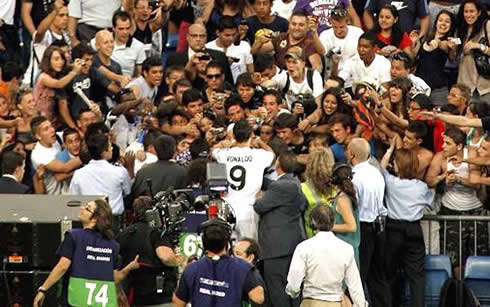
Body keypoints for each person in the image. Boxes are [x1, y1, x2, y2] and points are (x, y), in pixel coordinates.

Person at [33, 199, 139, 307]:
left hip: (75, 301)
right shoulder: (113, 245)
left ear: (94, 219)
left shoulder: (74, 236)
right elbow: (114, 278)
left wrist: (43, 289)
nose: (81, 208)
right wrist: (129, 268)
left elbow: (63, 266)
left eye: (87, 208)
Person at [424, 127, 487, 278]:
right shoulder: (440, 157)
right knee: (454, 258)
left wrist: (458, 179)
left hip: (474, 211)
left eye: (447, 143)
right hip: (450, 210)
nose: (443, 146)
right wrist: (443, 177)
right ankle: (459, 291)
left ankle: (475, 293)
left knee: (478, 255)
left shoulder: (471, 154)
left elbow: (476, 183)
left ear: (459, 146)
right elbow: (429, 180)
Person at [380, 146, 434, 307]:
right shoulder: (421, 187)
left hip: (393, 230)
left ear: (398, 165)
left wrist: (389, 150)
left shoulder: (391, 183)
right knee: (416, 276)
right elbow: (431, 205)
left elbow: (381, 168)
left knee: (389, 273)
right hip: (414, 230)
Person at [254, 151, 307, 307]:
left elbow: (260, 206)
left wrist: (259, 197)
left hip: (277, 249)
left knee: (278, 290)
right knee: (294, 290)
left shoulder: (280, 185)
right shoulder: (296, 182)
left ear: (278, 164)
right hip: (292, 245)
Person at [286, 205, 367, 307]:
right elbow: (355, 286)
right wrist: (360, 304)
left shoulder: (303, 248)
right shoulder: (347, 249)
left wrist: (294, 293)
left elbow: (293, 283)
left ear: (312, 223)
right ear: (333, 222)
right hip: (336, 303)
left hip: (310, 302)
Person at [173, 219, 265, 306]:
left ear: (203, 242)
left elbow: (178, 303)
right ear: (227, 243)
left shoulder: (191, 269)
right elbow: (258, 298)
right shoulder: (244, 268)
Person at [345, 138, 390, 307]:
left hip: (363, 229)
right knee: (377, 275)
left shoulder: (355, 178)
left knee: (357, 275)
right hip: (379, 227)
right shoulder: (376, 172)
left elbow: (354, 204)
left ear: (351, 154)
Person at [212, 120, 275, 239]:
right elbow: (272, 154)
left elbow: (213, 151)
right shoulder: (259, 155)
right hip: (248, 208)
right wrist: (260, 142)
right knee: (248, 248)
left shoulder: (224, 154)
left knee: (226, 247)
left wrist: (229, 143)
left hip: (226, 206)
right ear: (251, 134)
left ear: (234, 135)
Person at [118, 196, 184, 306]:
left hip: (132, 297)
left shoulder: (123, 234)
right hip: (158, 297)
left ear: (134, 213)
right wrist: (179, 260)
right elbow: (166, 257)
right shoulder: (155, 233)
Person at [69, 133, 132, 234]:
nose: (112, 148)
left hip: (92, 222)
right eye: (110, 146)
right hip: (111, 224)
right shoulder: (120, 172)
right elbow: (128, 192)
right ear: (104, 152)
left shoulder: (78, 174)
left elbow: (73, 199)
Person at [414, 10, 457, 106]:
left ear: (451, 25)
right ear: (436, 22)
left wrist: (438, 43)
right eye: (440, 20)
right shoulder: (425, 38)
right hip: (419, 87)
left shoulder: (449, 42)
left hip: (437, 90)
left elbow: (446, 48)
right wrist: (414, 42)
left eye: (447, 21)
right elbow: (414, 58)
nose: (443, 23)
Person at [166, 23, 234, 84]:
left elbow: (229, 84)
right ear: (187, 37)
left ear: (206, 37)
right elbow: (166, 86)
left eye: (202, 36)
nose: (198, 39)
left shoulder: (220, 56)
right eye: (194, 36)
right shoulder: (174, 59)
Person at [455, 0, 490, 100]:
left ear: (478, 12)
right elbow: (453, 57)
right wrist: (452, 47)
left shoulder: (487, 25)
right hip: (465, 86)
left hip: (485, 86)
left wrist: (479, 46)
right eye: (466, 11)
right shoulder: (460, 29)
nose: (468, 15)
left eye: (472, 11)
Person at [205, 16, 254, 83]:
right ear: (218, 33)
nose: (231, 38)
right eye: (227, 35)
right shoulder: (208, 48)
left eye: (233, 35)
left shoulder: (244, 46)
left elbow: (251, 71)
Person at [319, 6, 364, 76]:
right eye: (335, 27)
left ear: (347, 21)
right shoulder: (325, 35)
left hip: (355, 76)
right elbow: (322, 53)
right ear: (330, 22)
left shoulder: (358, 33)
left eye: (341, 27)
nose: (338, 31)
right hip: (333, 77)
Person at [111, 9, 147, 78]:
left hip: (127, 85)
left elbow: (140, 75)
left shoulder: (138, 46)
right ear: (113, 28)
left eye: (127, 28)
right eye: (121, 29)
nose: (125, 32)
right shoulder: (104, 40)